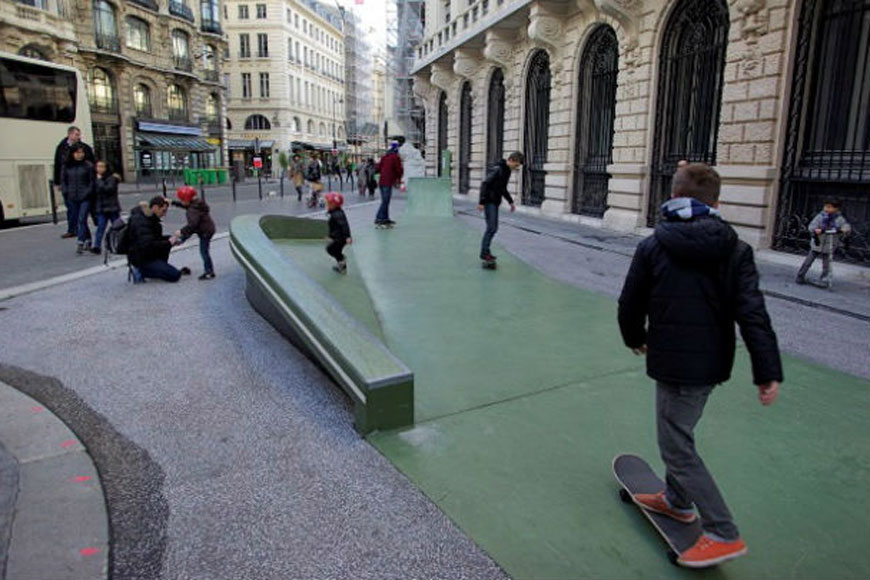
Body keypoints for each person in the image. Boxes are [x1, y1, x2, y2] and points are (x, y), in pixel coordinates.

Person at [617, 163, 782, 568]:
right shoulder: (736, 249)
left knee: (676, 447)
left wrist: (635, 338)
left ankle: (723, 532)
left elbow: (630, 303)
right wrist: (767, 371)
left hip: (670, 359)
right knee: (681, 432)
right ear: (716, 203)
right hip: (711, 365)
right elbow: (753, 313)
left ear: (673, 197)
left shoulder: (653, 245)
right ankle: (676, 501)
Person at [128, 196, 190, 283]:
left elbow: (154, 239)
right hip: (141, 259)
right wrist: (168, 242)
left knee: (167, 247)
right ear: (155, 207)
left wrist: (170, 239)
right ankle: (141, 271)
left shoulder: (150, 219)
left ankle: (158, 268)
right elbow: (148, 244)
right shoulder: (141, 222)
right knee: (174, 275)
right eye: (163, 211)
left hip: (148, 255)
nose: (164, 214)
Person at [477, 151, 524, 263]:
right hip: (489, 202)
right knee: (492, 228)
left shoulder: (507, 171)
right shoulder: (498, 169)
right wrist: (481, 202)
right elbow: (485, 184)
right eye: (516, 165)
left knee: (492, 228)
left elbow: (502, 188)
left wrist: (510, 202)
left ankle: (486, 252)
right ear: (511, 160)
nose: (516, 168)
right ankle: (484, 253)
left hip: (495, 202)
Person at [795, 199, 851, 288]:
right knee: (808, 261)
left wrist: (845, 229)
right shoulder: (820, 217)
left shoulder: (839, 219)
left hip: (829, 244)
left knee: (827, 264)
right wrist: (815, 230)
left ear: (836, 209)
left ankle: (824, 279)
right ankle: (800, 276)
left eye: (829, 207)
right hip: (818, 243)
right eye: (825, 206)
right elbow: (812, 226)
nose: (826, 209)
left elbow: (846, 226)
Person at [54, 126, 96, 238]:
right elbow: (58, 165)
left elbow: (92, 165)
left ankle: (85, 238)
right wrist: (58, 183)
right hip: (69, 186)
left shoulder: (85, 148)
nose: (79, 136)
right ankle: (72, 229)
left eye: (79, 134)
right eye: (77, 134)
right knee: (71, 210)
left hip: (84, 186)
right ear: (70, 134)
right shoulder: (61, 147)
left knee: (82, 215)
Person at [173, 186, 217, 280]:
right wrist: (173, 203)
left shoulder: (193, 210)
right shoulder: (197, 204)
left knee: (204, 251)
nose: (181, 201)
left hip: (204, 231)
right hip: (205, 229)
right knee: (189, 233)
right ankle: (180, 240)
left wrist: (181, 231)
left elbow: (192, 225)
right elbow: (185, 205)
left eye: (181, 199)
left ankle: (209, 271)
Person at [61, 144, 95, 254]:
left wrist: (88, 192)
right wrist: (66, 191)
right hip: (72, 197)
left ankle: (80, 241)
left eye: (81, 152)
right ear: (72, 153)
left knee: (82, 219)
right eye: (77, 153)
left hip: (85, 196)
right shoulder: (67, 166)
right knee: (80, 220)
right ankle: (88, 239)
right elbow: (63, 180)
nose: (80, 155)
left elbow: (92, 182)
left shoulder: (88, 166)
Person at [91, 160, 121, 254]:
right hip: (101, 207)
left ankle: (120, 244)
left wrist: (99, 181)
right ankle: (96, 246)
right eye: (97, 167)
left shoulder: (111, 178)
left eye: (101, 167)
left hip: (111, 207)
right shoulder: (95, 179)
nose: (99, 169)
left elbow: (108, 189)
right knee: (100, 227)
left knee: (117, 227)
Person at [374, 143, 403, 227]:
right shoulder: (395, 157)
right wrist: (398, 179)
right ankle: (379, 218)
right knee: (385, 201)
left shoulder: (384, 157)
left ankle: (385, 218)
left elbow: (378, 168)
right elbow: (399, 169)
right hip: (388, 181)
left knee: (385, 201)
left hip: (382, 182)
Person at [325, 192, 352, 274]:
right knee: (335, 251)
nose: (326, 205)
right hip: (337, 237)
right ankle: (341, 265)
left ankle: (342, 260)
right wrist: (330, 236)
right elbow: (333, 227)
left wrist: (347, 236)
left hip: (340, 238)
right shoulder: (334, 213)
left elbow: (344, 225)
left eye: (328, 203)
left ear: (333, 204)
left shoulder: (337, 214)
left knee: (331, 249)